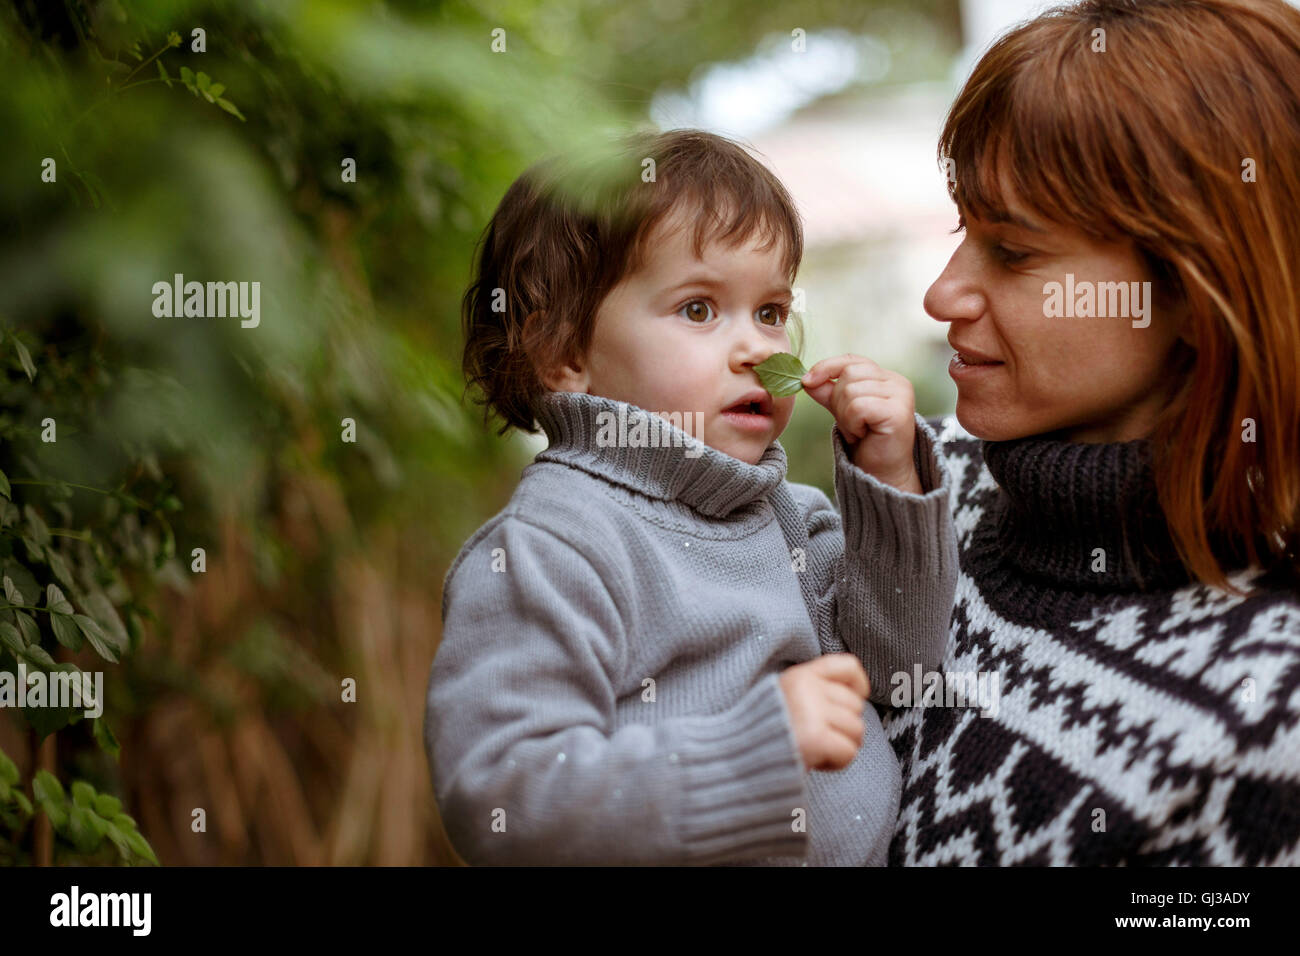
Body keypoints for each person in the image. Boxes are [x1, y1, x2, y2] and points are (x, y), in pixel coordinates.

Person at [423, 128, 958, 865]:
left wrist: (891, 475)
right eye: (700, 310)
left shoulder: (791, 516)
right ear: (564, 353)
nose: (761, 350)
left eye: (771, 312)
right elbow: (501, 799)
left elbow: (905, 668)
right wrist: (752, 755)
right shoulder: (552, 546)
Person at [864, 0, 1300, 865]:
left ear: (1193, 288)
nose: (943, 295)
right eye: (963, 231)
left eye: (1014, 252)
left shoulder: (1271, 716)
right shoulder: (913, 493)